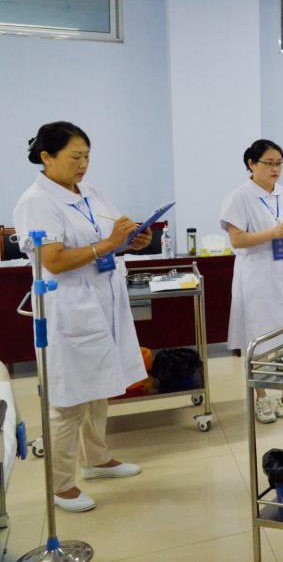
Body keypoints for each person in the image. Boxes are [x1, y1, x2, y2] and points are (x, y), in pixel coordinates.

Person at [13, 121, 148, 512]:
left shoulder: (91, 192)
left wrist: (133, 240)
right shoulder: (36, 201)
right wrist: (108, 244)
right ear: (46, 157)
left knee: (99, 385)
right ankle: (61, 486)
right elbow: (53, 260)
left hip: (102, 301)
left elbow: (114, 235)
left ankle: (97, 459)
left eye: (87, 156)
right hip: (68, 309)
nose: (83, 164)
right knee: (69, 399)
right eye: (75, 157)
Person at [221, 139, 283, 423]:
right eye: (269, 163)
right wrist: (272, 233)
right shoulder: (239, 197)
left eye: (279, 163)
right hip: (257, 276)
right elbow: (237, 239)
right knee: (259, 336)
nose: (275, 169)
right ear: (251, 164)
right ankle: (262, 397)